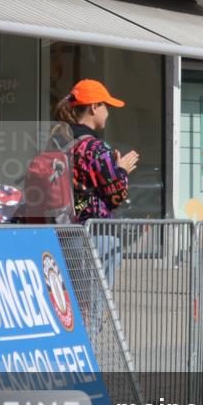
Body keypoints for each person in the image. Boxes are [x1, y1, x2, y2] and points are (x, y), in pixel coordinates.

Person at [53, 79, 138, 329]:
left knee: (70, 302)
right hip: (94, 234)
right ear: (93, 107)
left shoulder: (57, 142)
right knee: (92, 304)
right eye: (105, 106)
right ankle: (91, 356)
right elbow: (115, 195)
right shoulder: (95, 148)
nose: (108, 112)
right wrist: (122, 170)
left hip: (62, 230)